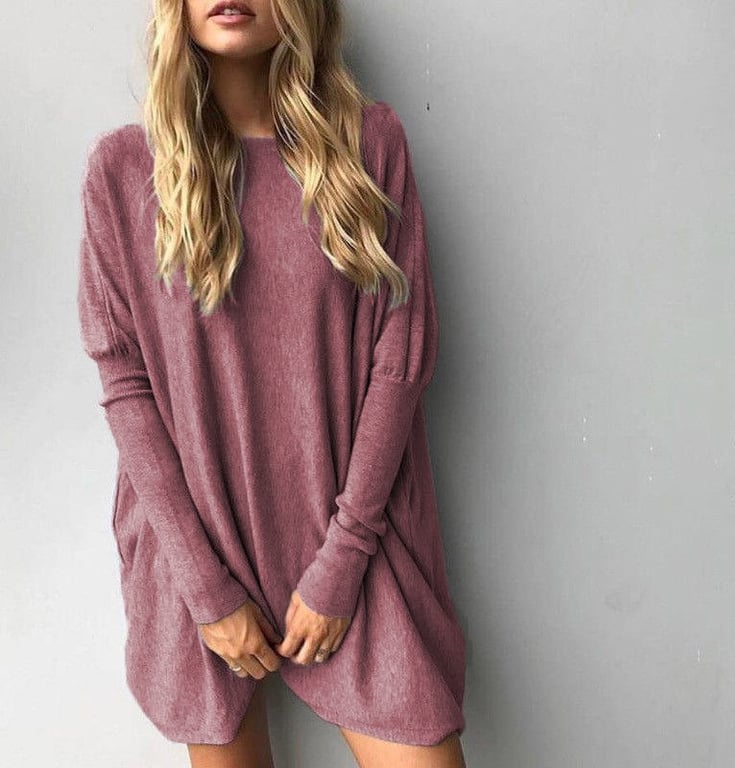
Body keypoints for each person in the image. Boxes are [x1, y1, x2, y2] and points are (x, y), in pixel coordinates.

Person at [76, 0, 468, 765]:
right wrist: (205, 588)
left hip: (357, 531)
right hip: (197, 543)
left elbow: (401, 359)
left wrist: (343, 560)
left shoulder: (368, 146)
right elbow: (124, 384)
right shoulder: (123, 170)